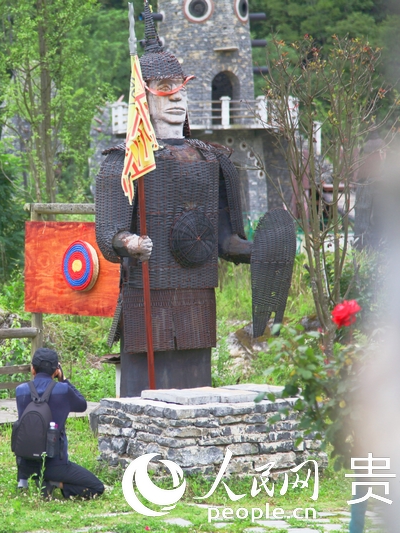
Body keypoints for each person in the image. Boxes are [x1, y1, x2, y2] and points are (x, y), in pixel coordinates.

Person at [95, 1, 292, 397]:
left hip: (197, 295)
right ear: (144, 100)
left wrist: (262, 249)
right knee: (144, 391)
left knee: (194, 384)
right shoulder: (126, 161)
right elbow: (109, 234)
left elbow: (222, 242)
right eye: (166, 93)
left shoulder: (213, 159)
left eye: (182, 90)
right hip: (147, 290)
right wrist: (130, 242)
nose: (177, 101)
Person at [15, 348, 105, 499]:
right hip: (55, 465)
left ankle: (27, 479)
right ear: (56, 370)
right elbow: (82, 404)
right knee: (97, 487)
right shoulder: (63, 390)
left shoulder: (20, 391)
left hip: (25, 463)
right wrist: (63, 379)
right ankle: (54, 482)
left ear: (32, 369)